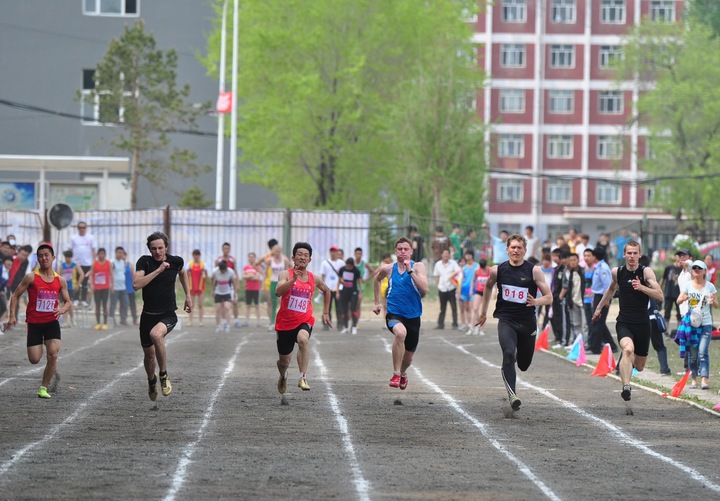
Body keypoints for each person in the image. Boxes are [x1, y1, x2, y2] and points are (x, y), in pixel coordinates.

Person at [476, 234, 552, 410]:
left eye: (519, 247)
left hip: (527, 323)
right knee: (508, 353)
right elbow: (487, 287)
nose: (516, 250)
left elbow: (549, 297)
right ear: (507, 249)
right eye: (513, 247)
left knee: (524, 365)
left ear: (525, 250)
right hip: (506, 320)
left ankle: (520, 354)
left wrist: (536, 302)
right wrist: (483, 312)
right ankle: (513, 395)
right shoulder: (497, 270)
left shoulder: (534, 270)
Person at [592, 241, 663, 402]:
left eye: (634, 253)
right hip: (624, 321)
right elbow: (611, 289)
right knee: (628, 349)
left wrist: (642, 287)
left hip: (643, 324)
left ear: (639, 255)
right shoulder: (618, 272)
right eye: (629, 253)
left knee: (639, 366)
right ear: (624, 254)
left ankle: (626, 369)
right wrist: (599, 308)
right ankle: (626, 386)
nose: (631, 256)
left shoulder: (646, 272)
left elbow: (660, 295)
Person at [6, 244, 72, 398]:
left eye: (47, 255)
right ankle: (50, 365)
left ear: (53, 258)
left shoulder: (60, 280)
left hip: (52, 322)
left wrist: (61, 310)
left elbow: (68, 302)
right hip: (35, 323)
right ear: (37, 259)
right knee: (34, 359)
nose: (44, 258)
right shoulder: (31, 277)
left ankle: (43, 387)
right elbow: (15, 295)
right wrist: (12, 316)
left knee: (53, 354)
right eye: (40, 256)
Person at [133, 232, 192, 401]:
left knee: (156, 335)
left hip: (167, 314)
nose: (157, 252)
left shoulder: (176, 261)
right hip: (147, 316)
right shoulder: (144, 262)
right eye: (154, 249)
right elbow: (136, 284)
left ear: (166, 247)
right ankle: (151, 381)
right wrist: (158, 271)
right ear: (149, 250)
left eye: (160, 248)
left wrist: (188, 296)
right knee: (149, 356)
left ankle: (164, 375)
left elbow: (182, 273)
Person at [275, 242, 332, 393]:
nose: (302, 257)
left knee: (303, 339)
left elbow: (327, 291)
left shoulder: (314, 279)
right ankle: (283, 376)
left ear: (310, 260)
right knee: (284, 362)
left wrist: (325, 312)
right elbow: (278, 292)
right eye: (299, 254)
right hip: (285, 323)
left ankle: (303, 377)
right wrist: (292, 280)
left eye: (306, 255)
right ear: (293, 258)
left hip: (304, 320)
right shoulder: (285, 274)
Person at [373, 237, 429, 391]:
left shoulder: (418, 267)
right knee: (400, 333)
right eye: (400, 249)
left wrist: (410, 272)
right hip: (394, 313)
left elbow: (425, 288)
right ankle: (396, 374)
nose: (403, 252)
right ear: (395, 251)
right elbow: (376, 280)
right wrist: (377, 302)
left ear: (411, 251)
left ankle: (403, 373)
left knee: (409, 358)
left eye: (406, 249)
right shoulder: (388, 269)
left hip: (413, 316)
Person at [676, 259, 718, 389]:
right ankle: (693, 379)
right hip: (692, 325)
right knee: (693, 354)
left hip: (706, 324)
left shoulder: (710, 286)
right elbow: (678, 300)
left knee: (702, 352)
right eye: (694, 268)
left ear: (705, 271)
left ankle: (704, 380)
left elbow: (716, 306)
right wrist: (683, 298)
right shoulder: (688, 285)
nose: (696, 270)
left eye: (699, 268)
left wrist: (713, 301)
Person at [587, 247, 617, 354]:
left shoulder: (603, 268)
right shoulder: (598, 267)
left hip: (602, 297)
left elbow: (607, 285)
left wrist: (606, 300)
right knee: (599, 322)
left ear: (594, 256)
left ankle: (596, 347)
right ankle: (611, 345)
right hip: (597, 296)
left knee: (598, 323)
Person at [67, 221, 97, 306]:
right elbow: (69, 249)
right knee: (76, 282)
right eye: (80, 227)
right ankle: (75, 299)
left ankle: (83, 299)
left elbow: (94, 250)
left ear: (86, 228)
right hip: (76, 263)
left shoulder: (90, 237)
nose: (82, 229)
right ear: (78, 228)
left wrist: (93, 262)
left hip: (87, 263)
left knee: (85, 282)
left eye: (83, 227)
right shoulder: (73, 238)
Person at [558, 253, 583, 347]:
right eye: (571, 260)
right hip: (573, 301)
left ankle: (584, 344)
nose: (572, 262)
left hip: (582, 301)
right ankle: (576, 343)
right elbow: (568, 287)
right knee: (575, 323)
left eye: (574, 260)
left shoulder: (582, 271)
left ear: (578, 260)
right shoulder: (569, 272)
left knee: (584, 325)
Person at [266, 242, 292, 330]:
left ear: (281, 252)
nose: (277, 254)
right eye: (275, 252)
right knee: (273, 303)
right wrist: (265, 282)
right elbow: (266, 272)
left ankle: (284, 321)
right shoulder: (270, 260)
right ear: (273, 252)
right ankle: (272, 322)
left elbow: (290, 268)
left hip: (282, 282)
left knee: (283, 302)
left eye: (279, 252)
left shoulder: (285, 259)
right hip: (273, 281)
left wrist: (288, 279)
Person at [433, 249, 460, 330]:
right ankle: (440, 324)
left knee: (453, 307)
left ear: (449, 255)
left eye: (447, 254)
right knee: (442, 307)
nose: (446, 256)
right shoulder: (438, 264)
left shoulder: (453, 263)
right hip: (442, 288)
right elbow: (437, 275)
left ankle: (455, 324)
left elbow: (458, 270)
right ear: (442, 255)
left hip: (451, 287)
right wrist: (438, 285)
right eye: (444, 254)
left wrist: (452, 276)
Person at [319, 245, 344, 330]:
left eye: (335, 251)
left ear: (338, 252)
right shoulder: (325, 263)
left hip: (338, 289)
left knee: (339, 307)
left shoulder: (341, 263)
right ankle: (325, 324)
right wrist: (320, 288)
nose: (333, 253)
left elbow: (343, 276)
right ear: (330, 253)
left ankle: (340, 324)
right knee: (327, 307)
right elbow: (322, 276)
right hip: (327, 288)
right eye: (331, 251)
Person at [215, 243, 240, 328]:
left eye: (227, 248)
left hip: (231, 284)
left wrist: (237, 284)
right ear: (222, 249)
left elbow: (236, 272)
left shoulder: (233, 260)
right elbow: (216, 273)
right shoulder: (218, 260)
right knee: (222, 303)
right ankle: (224, 320)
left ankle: (236, 320)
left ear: (229, 249)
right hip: (221, 285)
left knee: (235, 302)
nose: (226, 250)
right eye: (225, 248)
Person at [89, 247, 112, 330]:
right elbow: (91, 274)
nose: (101, 255)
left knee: (105, 305)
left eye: (103, 254)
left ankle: (105, 323)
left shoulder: (108, 263)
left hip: (105, 287)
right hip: (97, 288)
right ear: (98, 254)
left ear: (105, 254)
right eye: (100, 254)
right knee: (97, 305)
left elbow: (111, 275)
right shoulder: (94, 263)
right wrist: (91, 284)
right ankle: (98, 323)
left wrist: (112, 286)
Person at [337, 257, 362, 334]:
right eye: (347, 266)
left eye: (350, 266)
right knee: (344, 309)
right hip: (344, 291)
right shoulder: (342, 269)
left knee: (353, 308)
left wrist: (360, 293)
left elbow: (359, 282)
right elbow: (339, 280)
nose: (348, 267)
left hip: (353, 292)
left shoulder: (356, 271)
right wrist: (337, 291)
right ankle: (345, 326)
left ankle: (354, 326)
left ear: (352, 265)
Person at [660, 249, 685, 325]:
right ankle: (666, 332)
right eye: (678, 256)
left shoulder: (684, 269)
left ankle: (679, 333)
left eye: (682, 256)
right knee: (667, 314)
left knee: (680, 315)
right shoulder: (669, 268)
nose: (680, 258)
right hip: (669, 293)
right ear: (675, 257)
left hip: (679, 294)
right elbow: (663, 279)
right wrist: (659, 290)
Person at [60, 250, 83, 327]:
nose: (68, 259)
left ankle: (72, 318)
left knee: (69, 304)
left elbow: (82, 274)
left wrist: (78, 284)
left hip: (71, 287)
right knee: (63, 304)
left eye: (69, 257)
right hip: (63, 287)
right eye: (66, 257)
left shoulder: (75, 265)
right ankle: (66, 321)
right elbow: (58, 276)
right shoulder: (62, 265)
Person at [211, 260, 236, 333]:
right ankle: (218, 325)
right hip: (218, 291)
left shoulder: (230, 272)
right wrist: (212, 289)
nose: (222, 272)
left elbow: (234, 281)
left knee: (227, 307)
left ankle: (228, 325)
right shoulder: (215, 271)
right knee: (218, 309)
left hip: (227, 291)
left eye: (223, 270)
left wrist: (234, 292)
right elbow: (212, 279)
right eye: (221, 270)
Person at [186, 249, 208, 327]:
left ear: (199, 256)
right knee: (191, 305)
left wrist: (205, 277)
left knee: (200, 305)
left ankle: (200, 321)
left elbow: (206, 275)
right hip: (191, 287)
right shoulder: (189, 264)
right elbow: (185, 275)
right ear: (193, 255)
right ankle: (190, 321)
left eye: (197, 255)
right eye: (195, 255)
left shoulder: (203, 265)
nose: (196, 257)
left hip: (200, 288)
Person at [241, 252, 263, 327]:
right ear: (248, 258)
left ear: (255, 258)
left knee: (257, 305)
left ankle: (258, 322)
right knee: (247, 305)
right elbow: (243, 276)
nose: (251, 258)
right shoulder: (246, 267)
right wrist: (251, 275)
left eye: (253, 257)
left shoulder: (258, 267)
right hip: (248, 288)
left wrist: (249, 276)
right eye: (250, 257)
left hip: (256, 288)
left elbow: (257, 277)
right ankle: (246, 321)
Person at [459, 251, 478, 334]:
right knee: (466, 308)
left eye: (469, 255)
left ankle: (475, 324)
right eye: (466, 255)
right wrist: (459, 290)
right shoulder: (464, 267)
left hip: (474, 290)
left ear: (472, 256)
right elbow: (462, 279)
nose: (467, 256)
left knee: (474, 308)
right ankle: (469, 323)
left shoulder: (477, 266)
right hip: (464, 289)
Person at [470, 258, 491, 335]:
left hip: (486, 292)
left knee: (483, 311)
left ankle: (482, 328)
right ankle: (473, 327)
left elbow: (493, 282)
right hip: (478, 291)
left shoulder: (490, 271)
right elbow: (473, 280)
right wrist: (471, 290)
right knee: (475, 308)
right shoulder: (477, 271)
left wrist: (495, 291)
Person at [124, 250, 138, 326]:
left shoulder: (130, 265)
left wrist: (134, 286)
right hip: (122, 289)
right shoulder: (117, 265)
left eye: (124, 255)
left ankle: (134, 319)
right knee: (123, 305)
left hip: (130, 288)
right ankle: (123, 319)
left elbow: (133, 276)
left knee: (133, 305)